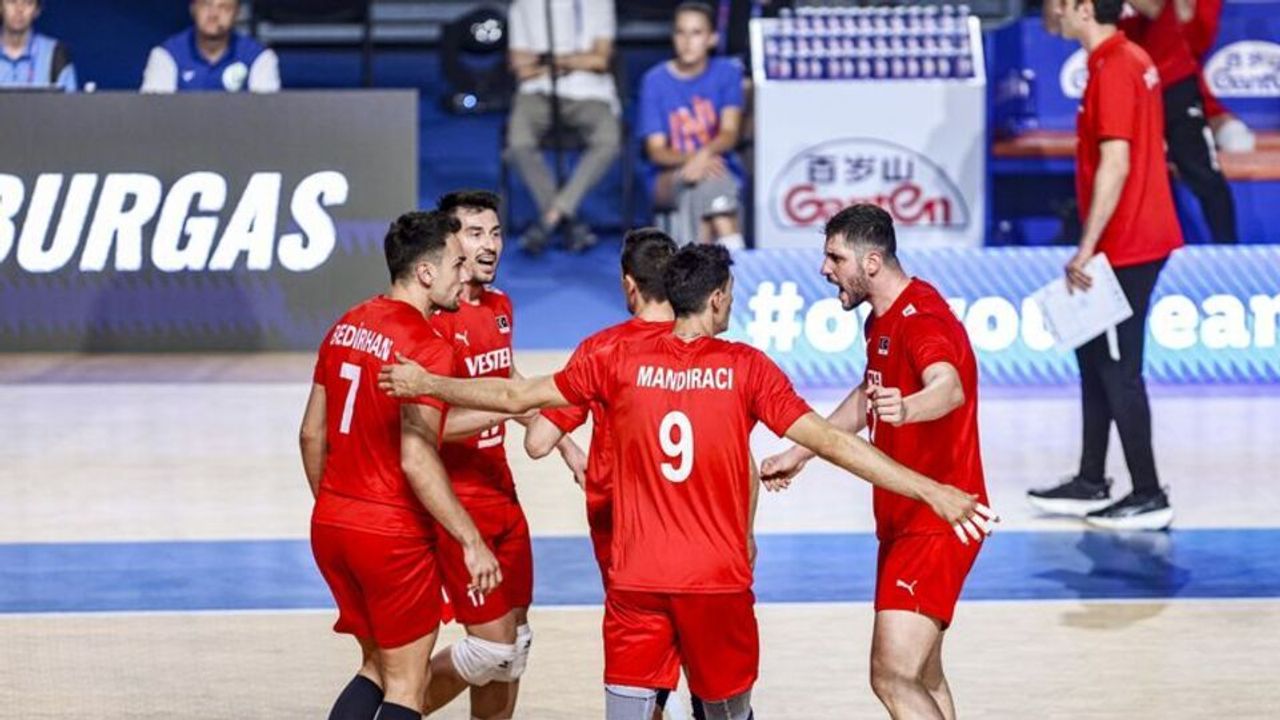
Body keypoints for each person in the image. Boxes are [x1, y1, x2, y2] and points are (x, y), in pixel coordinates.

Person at [377, 244, 996, 720]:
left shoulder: (616, 358)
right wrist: (930, 489)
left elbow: (517, 398)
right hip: (716, 585)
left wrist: (428, 384)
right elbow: (835, 444)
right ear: (718, 299)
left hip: (635, 582)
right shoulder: (747, 368)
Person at [760, 204, 990, 720]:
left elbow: (948, 387)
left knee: (890, 675)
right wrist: (802, 451)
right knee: (923, 676)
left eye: (835, 258)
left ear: (871, 262)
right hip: (907, 517)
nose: (824, 269)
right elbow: (869, 394)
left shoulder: (921, 319)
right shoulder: (881, 319)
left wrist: (908, 408)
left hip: (936, 518)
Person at [299, 210, 503, 720]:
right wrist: (471, 540)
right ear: (426, 272)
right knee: (408, 687)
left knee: (375, 667)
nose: (465, 273)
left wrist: (337, 504)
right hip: (390, 536)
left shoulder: (346, 324)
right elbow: (417, 458)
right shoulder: (427, 348)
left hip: (332, 523)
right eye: (456, 263)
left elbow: (310, 434)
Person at [421, 190, 584, 720]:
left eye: (495, 233)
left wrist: (566, 446)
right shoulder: (432, 321)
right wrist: (507, 405)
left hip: (503, 494)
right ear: (449, 243)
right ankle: (397, 707)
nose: (490, 245)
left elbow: (506, 379)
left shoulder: (500, 307)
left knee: (514, 649)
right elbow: (433, 425)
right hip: (456, 501)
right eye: (475, 234)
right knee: (489, 650)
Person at [1028, 0, 1183, 530]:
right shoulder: (1126, 58)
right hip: (1131, 237)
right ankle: (1091, 479)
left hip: (1127, 244)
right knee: (1093, 356)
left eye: (1059, 3)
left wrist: (1087, 246)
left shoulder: (1116, 66)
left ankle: (1149, 494)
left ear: (1084, 8)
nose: (1051, 11)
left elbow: (1115, 164)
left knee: (1119, 369)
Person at [1115, 0, 1236, 244]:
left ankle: (1229, 250)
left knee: (1203, 174)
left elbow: (1161, 8)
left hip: (1172, 82)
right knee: (1120, 171)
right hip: (1125, 84)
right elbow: (1060, 23)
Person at [506, 0, 620, 253]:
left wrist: (545, 60)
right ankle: (567, 217)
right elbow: (521, 67)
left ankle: (551, 217)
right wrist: (577, 60)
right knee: (517, 142)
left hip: (590, 92)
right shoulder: (522, 5)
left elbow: (600, 60)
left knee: (609, 140)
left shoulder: (600, 3)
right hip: (536, 92)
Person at [638, 2, 746, 249]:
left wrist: (703, 157)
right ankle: (736, 264)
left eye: (696, 33)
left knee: (708, 188)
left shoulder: (727, 73)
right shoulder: (655, 80)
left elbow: (729, 133)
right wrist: (694, 161)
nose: (687, 42)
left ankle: (694, 266)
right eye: (681, 32)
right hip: (668, 175)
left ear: (712, 38)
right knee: (711, 190)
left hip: (718, 166)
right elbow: (657, 151)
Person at [141, 0, 280, 93]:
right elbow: (154, 116)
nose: (213, 14)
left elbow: (265, 117)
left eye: (224, 7)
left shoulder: (259, 57)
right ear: (193, 8)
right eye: (206, 4)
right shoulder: (166, 55)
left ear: (237, 13)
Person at [0, 0, 76, 91]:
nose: (19, 9)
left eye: (28, 3)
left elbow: (70, 98)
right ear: (1, 7)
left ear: (37, 10)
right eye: (12, 2)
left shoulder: (56, 53)